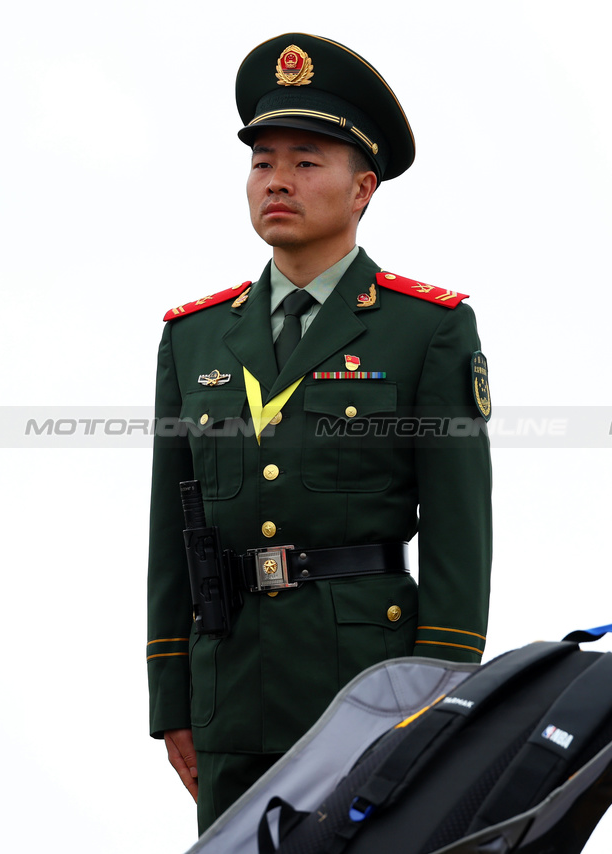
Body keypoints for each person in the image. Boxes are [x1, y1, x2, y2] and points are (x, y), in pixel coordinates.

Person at [145, 33, 493, 833]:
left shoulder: (426, 330)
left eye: (306, 162)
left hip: (367, 685)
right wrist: (173, 696)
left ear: (362, 186)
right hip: (229, 684)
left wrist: (437, 695)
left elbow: (458, 531)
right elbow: (173, 523)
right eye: (263, 161)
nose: (278, 181)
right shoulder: (193, 339)